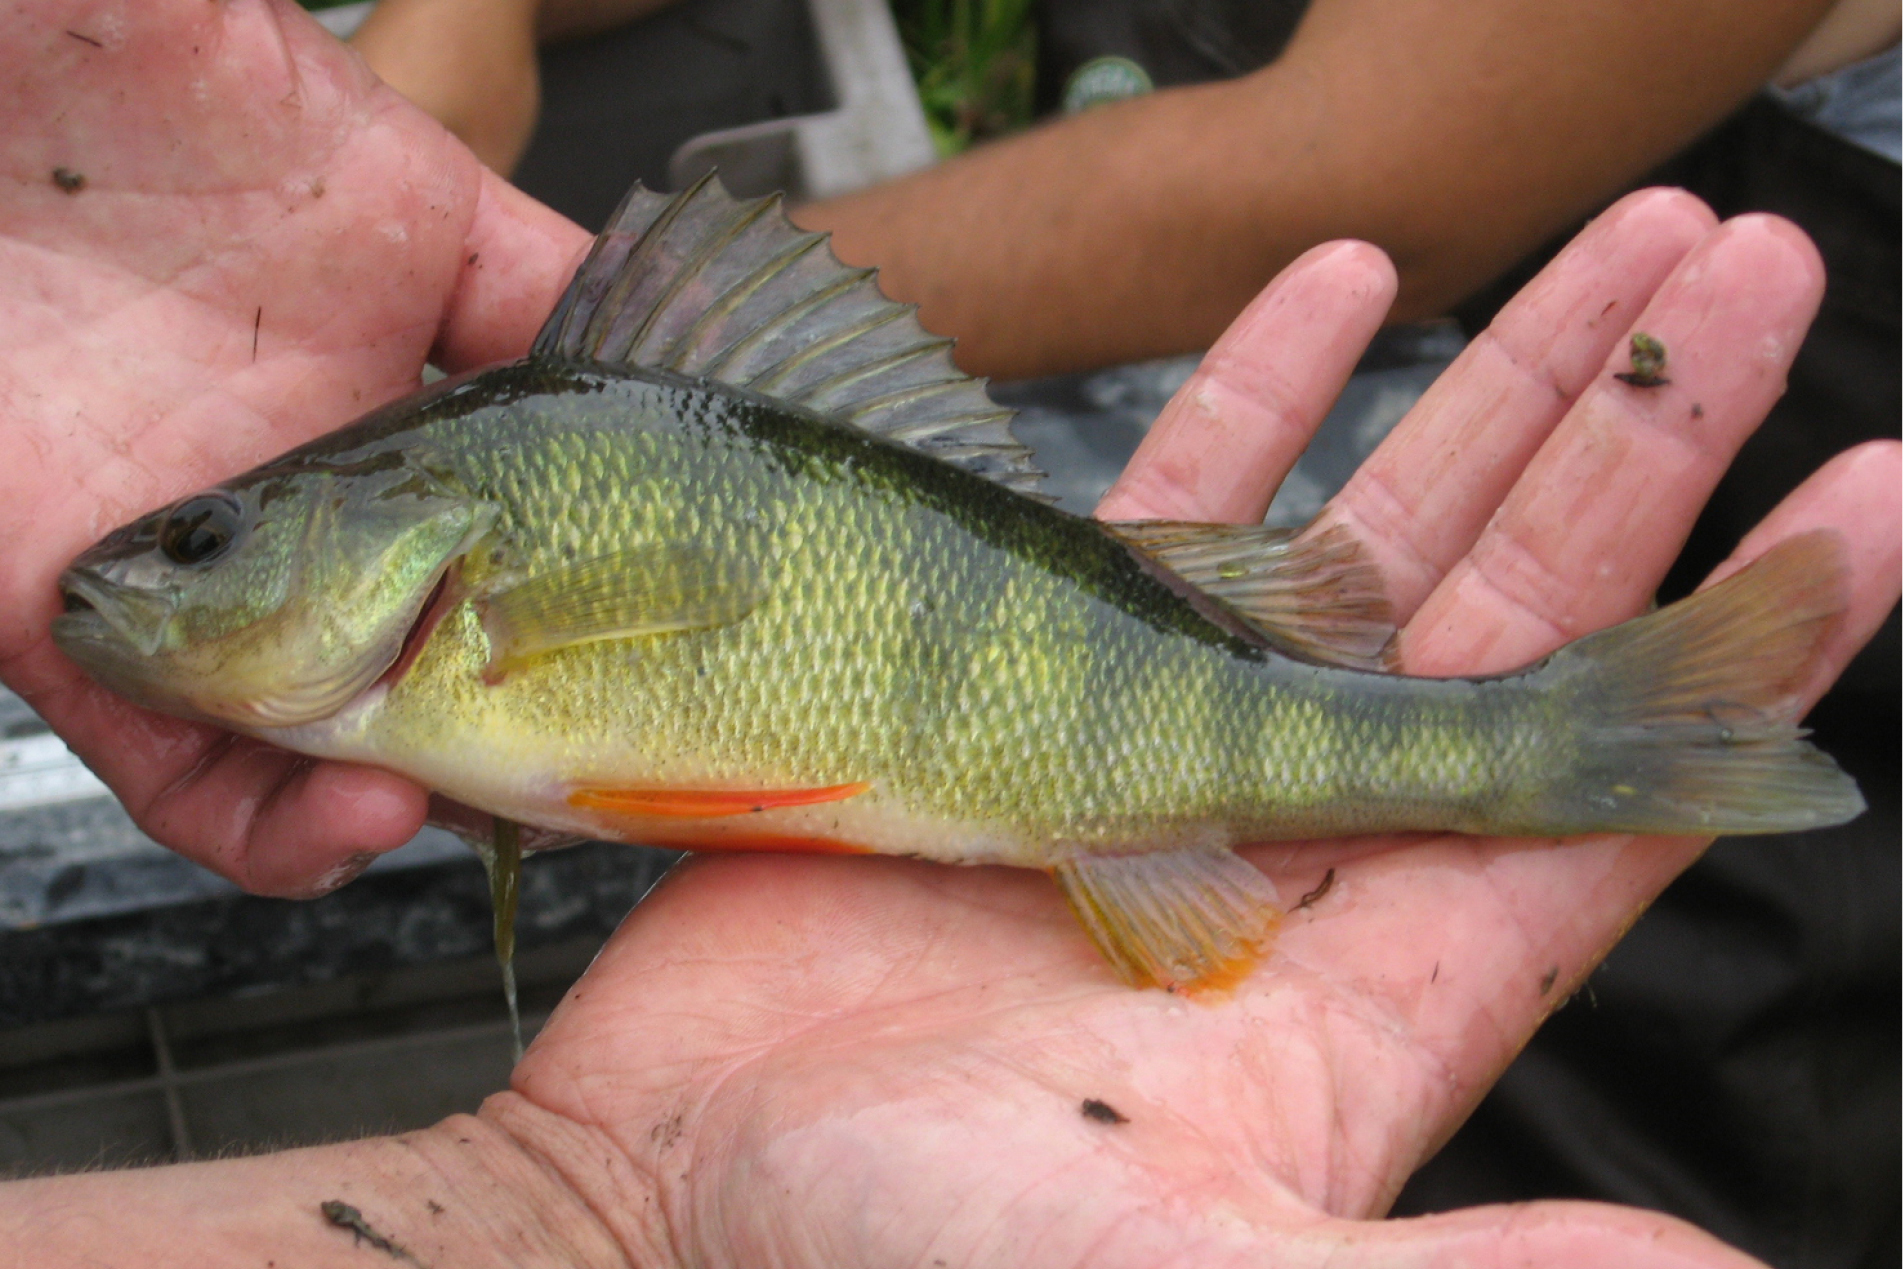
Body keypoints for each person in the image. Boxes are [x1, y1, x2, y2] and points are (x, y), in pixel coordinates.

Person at [0, 2, 1896, 1266]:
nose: (139, 577)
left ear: (378, 536)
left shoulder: (481, 565)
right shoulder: (461, 572)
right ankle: (1554, 745)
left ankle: (1551, 739)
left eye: (206, 538)